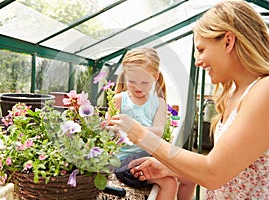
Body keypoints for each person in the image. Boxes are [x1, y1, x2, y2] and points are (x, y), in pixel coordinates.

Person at [109, 0, 269, 199]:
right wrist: (172, 168)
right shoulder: (236, 94)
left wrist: (139, 133)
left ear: (228, 41)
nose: (197, 60)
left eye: (201, 49)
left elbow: (213, 173)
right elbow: (230, 168)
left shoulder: (264, 91)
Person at [113, 47, 195, 200]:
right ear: (125, 76)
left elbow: (158, 131)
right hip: (125, 161)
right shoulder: (119, 99)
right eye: (132, 81)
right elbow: (113, 130)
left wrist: (131, 129)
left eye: (144, 82)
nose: (138, 86)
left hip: (153, 157)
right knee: (170, 183)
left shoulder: (159, 102)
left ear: (155, 77)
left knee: (189, 177)